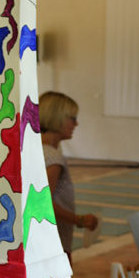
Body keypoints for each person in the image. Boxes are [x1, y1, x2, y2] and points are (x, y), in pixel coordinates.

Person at [39, 91, 98, 263]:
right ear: (57, 117)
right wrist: (79, 220)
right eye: (72, 118)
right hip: (53, 242)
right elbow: (43, 203)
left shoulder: (33, 148)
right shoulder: (52, 157)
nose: (76, 124)